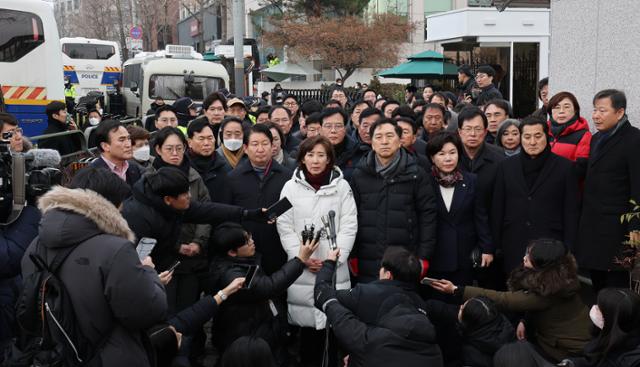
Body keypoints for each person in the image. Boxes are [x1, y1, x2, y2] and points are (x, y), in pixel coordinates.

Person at [21, 168, 167, 366]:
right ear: (110, 206)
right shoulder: (116, 250)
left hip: (55, 356)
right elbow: (146, 312)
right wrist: (149, 273)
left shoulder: (35, 244)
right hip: (109, 355)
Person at [431, 238, 592, 362]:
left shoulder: (550, 292)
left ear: (542, 266)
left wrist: (457, 290)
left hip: (565, 350)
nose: (523, 258)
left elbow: (504, 300)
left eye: (529, 258)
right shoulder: (559, 278)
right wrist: (524, 320)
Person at [276, 136, 357, 366]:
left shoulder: (341, 186)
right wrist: (299, 258)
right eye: (310, 155)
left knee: (332, 331)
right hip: (302, 268)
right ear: (302, 158)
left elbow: (350, 224)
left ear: (330, 159)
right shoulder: (290, 187)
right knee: (307, 336)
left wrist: (335, 260)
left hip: (333, 266)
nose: (315, 160)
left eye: (321, 155)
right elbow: (285, 225)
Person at [209, 222, 319, 365]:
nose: (252, 242)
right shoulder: (231, 275)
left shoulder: (241, 261)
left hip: (260, 330)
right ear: (232, 252)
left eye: (250, 237)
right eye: (247, 241)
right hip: (248, 343)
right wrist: (300, 260)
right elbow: (268, 287)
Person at [314, 247, 444, 367]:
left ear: (388, 275)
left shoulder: (364, 294)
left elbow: (323, 292)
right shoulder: (421, 307)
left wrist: (329, 262)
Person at [121, 166, 266, 272]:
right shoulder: (138, 218)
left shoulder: (172, 202)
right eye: (185, 194)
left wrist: (248, 214)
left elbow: (208, 211)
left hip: (168, 264)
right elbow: (134, 261)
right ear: (168, 199)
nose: (190, 196)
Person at [349, 118, 437, 283]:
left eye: (390, 136)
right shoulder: (360, 174)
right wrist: (352, 253)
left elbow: (428, 216)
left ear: (399, 141)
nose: (384, 141)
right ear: (372, 143)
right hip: (367, 257)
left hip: (405, 259)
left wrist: (424, 256)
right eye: (379, 137)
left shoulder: (416, 174)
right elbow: (351, 217)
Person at [492, 116, 579, 273]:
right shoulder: (505, 167)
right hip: (513, 242)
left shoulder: (565, 168)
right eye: (527, 136)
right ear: (521, 138)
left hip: (550, 246)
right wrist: (496, 244)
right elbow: (498, 207)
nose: (532, 142)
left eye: (538, 136)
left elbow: (571, 210)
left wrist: (569, 247)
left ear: (547, 136)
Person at [576, 89, 640, 292]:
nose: (595, 115)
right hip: (593, 226)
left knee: (616, 290)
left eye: (602, 110)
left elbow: (637, 187)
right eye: (595, 110)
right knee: (597, 284)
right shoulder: (596, 139)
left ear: (619, 112)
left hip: (617, 230)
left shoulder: (634, 140)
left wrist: (634, 228)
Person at [426, 132, 493, 286]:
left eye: (452, 152)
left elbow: (480, 216)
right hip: (435, 252)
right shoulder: (425, 182)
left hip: (464, 252)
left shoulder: (471, 180)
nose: (448, 158)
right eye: (441, 154)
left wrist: (487, 248)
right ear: (432, 157)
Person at [227, 124, 293, 275]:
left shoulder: (287, 177)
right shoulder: (233, 178)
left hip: (280, 249)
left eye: (265, 144)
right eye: (255, 144)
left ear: (272, 146)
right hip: (245, 253)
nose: (260, 149)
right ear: (245, 148)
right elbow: (228, 216)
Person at [426, 296, 515, 367]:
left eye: (462, 309)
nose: (460, 307)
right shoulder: (506, 326)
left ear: (468, 323)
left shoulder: (472, 357)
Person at [562, 288, 640, 367]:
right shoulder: (609, 333)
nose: (595, 308)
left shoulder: (630, 361)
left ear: (611, 319)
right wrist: (572, 363)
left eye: (600, 309)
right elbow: (593, 359)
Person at [457, 106, 506, 212]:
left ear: (485, 131)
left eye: (478, 129)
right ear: (460, 132)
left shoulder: (499, 158)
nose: (473, 134)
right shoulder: (451, 157)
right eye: (468, 129)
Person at [89, 119, 143, 188]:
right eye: (122, 140)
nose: (128, 144)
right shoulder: (93, 175)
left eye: (129, 138)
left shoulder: (133, 167)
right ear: (105, 146)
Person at [547, 91, 592, 163]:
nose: (561, 111)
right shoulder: (543, 131)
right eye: (557, 107)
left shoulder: (583, 135)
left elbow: (581, 166)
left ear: (575, 110)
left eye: (566, 107)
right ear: (550, 112)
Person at [319, 107, 360, 180]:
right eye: (328, 126)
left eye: (338, 126)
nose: (333, 130)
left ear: (345, 129)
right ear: (320, 129)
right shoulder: (309, 151)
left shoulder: (358, 152)